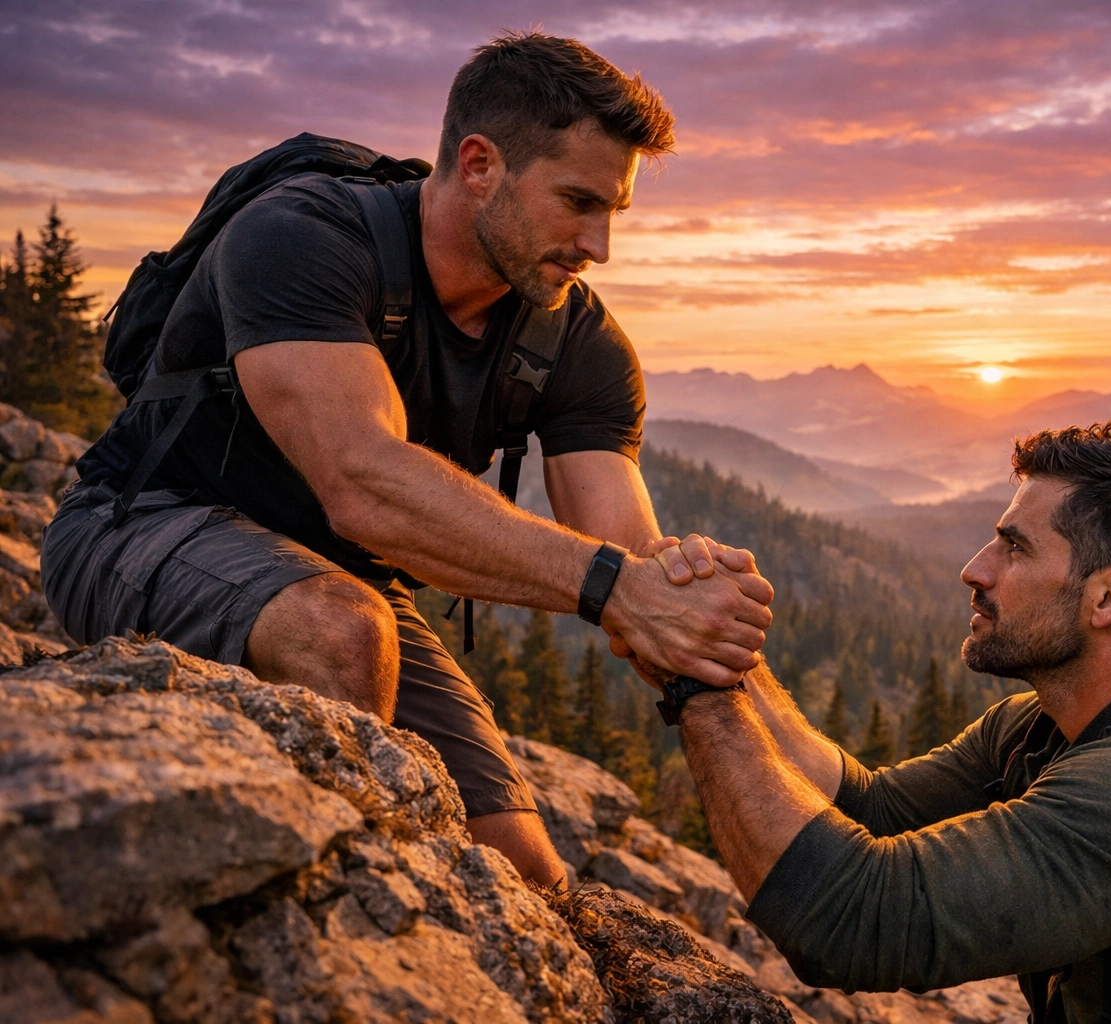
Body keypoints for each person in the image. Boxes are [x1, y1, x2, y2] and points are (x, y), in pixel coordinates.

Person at [40, 33, 772, 888]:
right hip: (143, 523)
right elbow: (363, 481)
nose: (599, 244)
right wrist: (621, 589)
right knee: (340, 633)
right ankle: (335, 924)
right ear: (480, 164)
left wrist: (686, 591)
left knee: (525, 872)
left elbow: (625, 550)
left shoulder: (578, 341)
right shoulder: (301, 236)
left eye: (613, 211)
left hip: (344, 579)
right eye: (577, 201)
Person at [652, 423, 1111, 1022]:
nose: (975, 569)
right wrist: (724, 656)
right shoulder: (1043, 727)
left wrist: (692, 677)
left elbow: (850, 921)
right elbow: (866, 810)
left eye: (1014, 548)